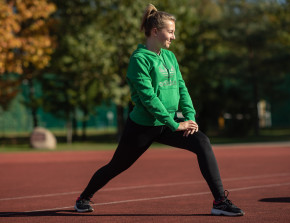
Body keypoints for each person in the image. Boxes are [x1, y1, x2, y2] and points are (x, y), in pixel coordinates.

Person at [74, 4, 244, 216]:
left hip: (171, 121)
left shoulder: (169, 57)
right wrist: (175, 124)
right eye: (170, 32)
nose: (173, 36)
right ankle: (84, 198)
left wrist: (189, 117)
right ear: (155, 31)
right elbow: (149, 99)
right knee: (116, 166)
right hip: (143, 126)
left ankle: (219, 201)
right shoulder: (139, 60)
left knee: (202, 142)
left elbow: (181, 87)